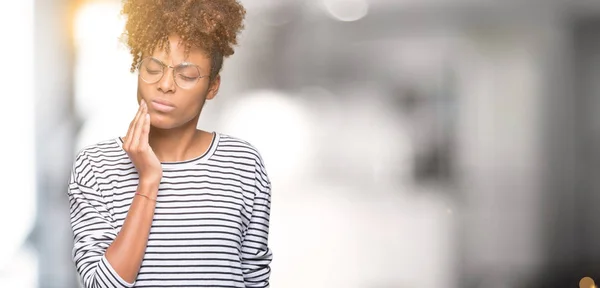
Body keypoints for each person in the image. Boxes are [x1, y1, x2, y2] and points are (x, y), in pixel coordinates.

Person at [67, 1, 272, 287]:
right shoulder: (95, 166)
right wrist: (148, 181)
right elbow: (102, 285)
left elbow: (255, 276)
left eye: (186, 75)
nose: (165, 84)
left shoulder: (243, 163)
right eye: (153, 69)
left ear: (212, 87)